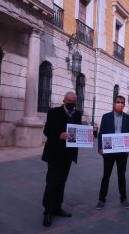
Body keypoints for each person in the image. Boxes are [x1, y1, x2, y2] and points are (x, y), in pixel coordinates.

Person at [41, 91, 82, 227]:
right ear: (64, 100)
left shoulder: (77, 114)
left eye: (73, 101)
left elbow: (78, 132)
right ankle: (47, 211)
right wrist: (59, 134)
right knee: (52, 182)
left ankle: (57, 207)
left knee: (62, 182)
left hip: (68, 155)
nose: (71, 103)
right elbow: (47, 131)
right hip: (54, 154)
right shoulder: (53, 112)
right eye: (68, 101)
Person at [96, 95, 129, 210]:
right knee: (106, 176)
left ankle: (123, 199)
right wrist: (100, 148)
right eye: (118, 102)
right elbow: (101, 133)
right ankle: (101, 200)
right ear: (114, 104)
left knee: (121, 175)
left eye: (122, 103)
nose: (121, 104)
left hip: (122, 152)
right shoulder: (106, 117)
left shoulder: (128, 118)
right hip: (109, 151)